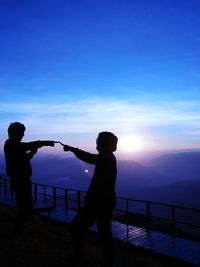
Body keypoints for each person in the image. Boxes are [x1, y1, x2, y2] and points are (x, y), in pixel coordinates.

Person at [63, 131, 118, 267]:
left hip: (98, 203)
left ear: (105, 143)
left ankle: (78, 256)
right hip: (104, 202)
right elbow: (90, 158)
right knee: (104, 234)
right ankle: (107, 262)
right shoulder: (108, 157)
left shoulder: (106, 158)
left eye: (99, 140)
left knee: (76, 227)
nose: (97, 142)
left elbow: (88, 157)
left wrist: (72, 149)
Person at [4, 122, 55, 234]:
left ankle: (18, 228)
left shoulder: (14, 145)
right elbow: (28, 145)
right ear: (13, 132)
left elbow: (24, 158)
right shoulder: (12, 144)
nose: (22, 134)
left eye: (23, 132)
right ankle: (17, 229)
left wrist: (32, 153)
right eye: (20, 132)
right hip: (20, 180)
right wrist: (45, 143)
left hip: (22, 180)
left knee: (24, 205)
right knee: (26, 205)